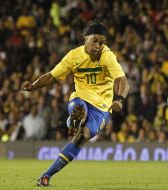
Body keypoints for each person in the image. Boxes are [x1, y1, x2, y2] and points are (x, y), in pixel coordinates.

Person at [21, 21, 130, 186]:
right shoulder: (74, 56)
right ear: (85, 38)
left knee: (83, 137)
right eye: (95, 40)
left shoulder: (107, 56)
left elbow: (123, 81)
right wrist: (34, 86)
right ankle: (74, 120)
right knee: (79, 109)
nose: (99, 46)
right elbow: (52, 75)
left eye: (102, 42)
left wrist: (120, 99)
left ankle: (46, 176)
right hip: (81, 98)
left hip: (102, 108)